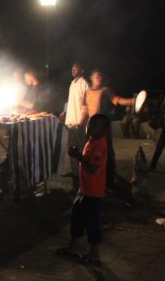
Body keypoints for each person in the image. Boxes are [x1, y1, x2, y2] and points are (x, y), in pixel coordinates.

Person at [56, 114, 110, 266]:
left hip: (93, 192)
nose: (90, 127)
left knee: (91, 222)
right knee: (77, 216)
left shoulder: (100, 145)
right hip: (85, 189)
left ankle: (94, 254)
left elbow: (93, 168)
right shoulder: (93, 140)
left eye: (95, 125)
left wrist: (78, 156)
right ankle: (73, 246)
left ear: (104, 130)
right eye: (90, 123)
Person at [84, 69, 134, 191]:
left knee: (108, 152)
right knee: (92, 153)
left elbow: (117, 100)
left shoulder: (105, 90)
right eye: (96, 77)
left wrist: (132, 101)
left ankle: (110, 176)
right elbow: (85, 108)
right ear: (91, 77)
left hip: (103, 127)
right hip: (92, 127)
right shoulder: (87, 92)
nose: (99, 79)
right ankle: (95, 177)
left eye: (100, 77)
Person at [64, 63, 89, 191]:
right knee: (72, 152)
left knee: (80, 153)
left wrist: (80, 124)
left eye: (76, 68)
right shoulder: (72, 83)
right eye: (72, 68)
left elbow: (85, 106)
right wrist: (65, 113)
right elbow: (72, 102)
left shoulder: (83, 83)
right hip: (70, 124)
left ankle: (82, 182)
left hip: (78, 125)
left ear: (82, 70)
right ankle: (75, 178)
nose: (73, 70)